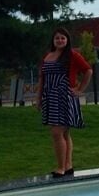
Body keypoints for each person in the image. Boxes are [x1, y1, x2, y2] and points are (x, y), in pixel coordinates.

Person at [37, 26, 92, 178]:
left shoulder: (73, 55)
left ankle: (61, 167)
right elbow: (42, 78)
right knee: (65, 134)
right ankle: (68, 166)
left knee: (56, 132)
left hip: (65, 97)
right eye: (57, 38)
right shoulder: (47, 56)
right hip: (50, 96)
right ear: (53, 41)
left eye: (62, 38)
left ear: (67, 40)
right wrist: (39, 98)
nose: (60, 40)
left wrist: (80, 89)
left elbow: (88, 70)